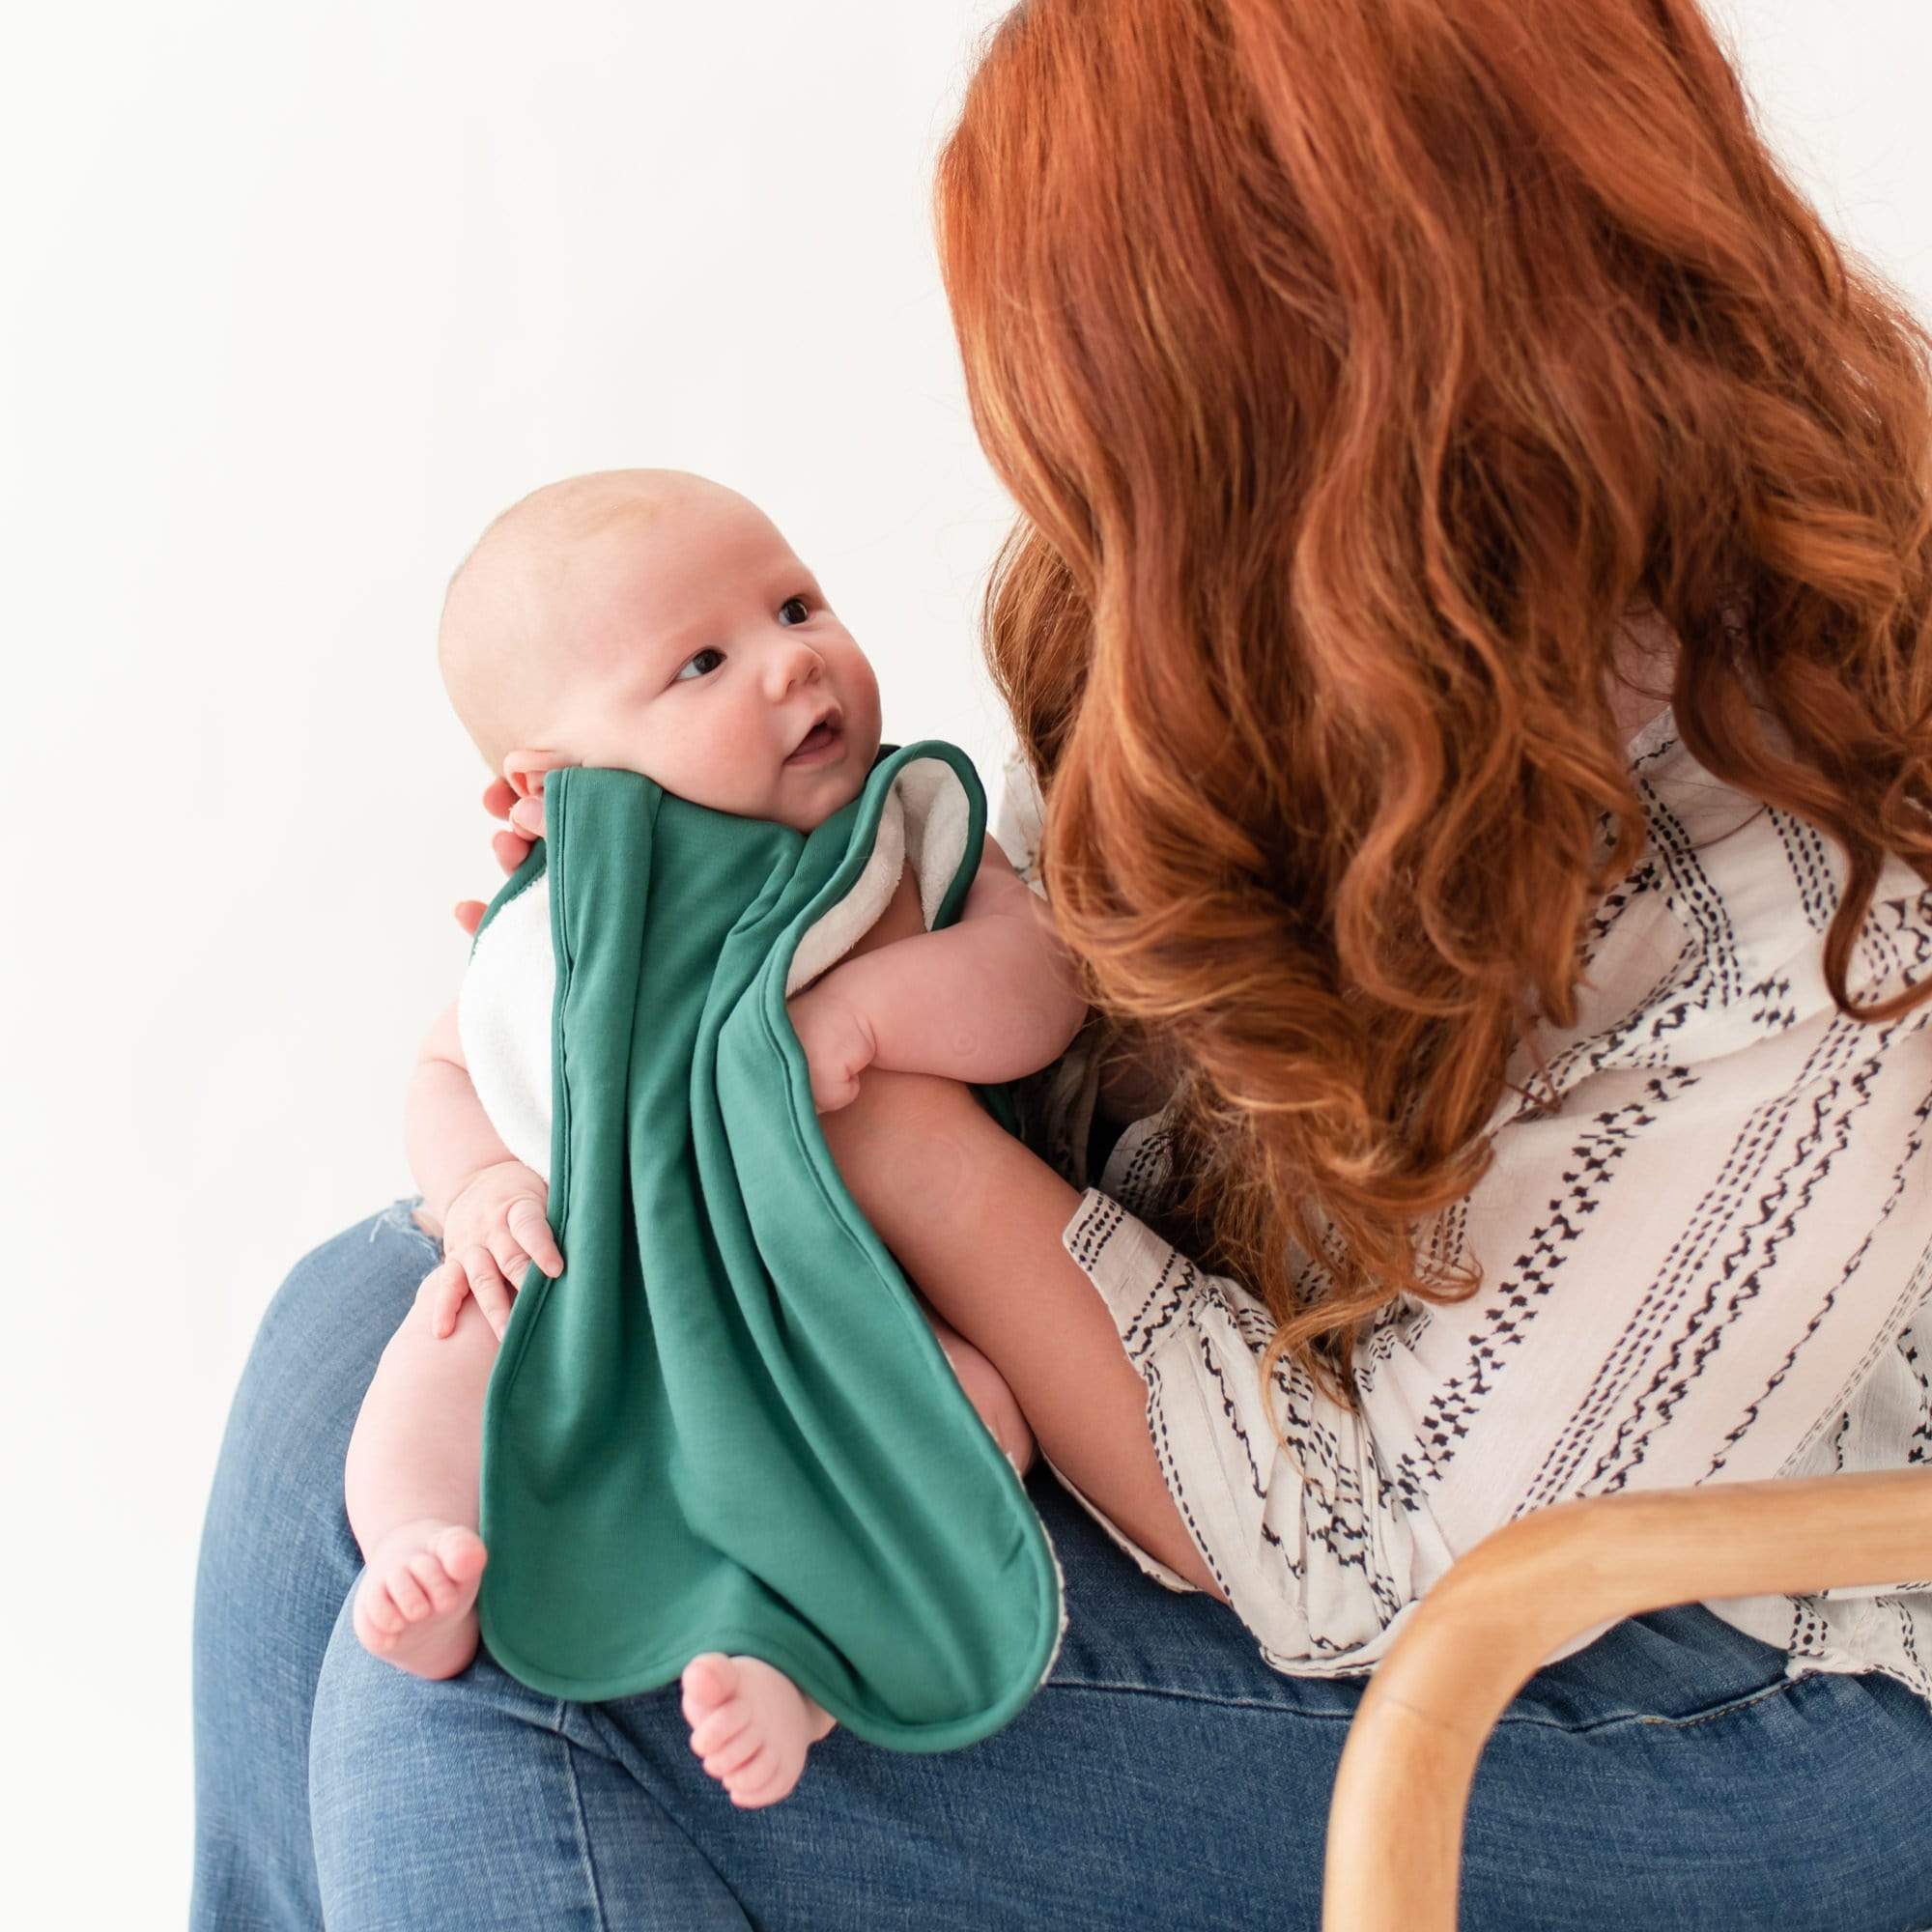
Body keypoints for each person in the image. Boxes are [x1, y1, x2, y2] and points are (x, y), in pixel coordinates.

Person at [193, 1, 1932, 1925]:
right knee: (361, 1346)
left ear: (1298, 399)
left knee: (537, 1684)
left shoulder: (1821, 893)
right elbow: (1062, 1036)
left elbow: (1369, 1544)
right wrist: (681, 908)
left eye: (1117, 432)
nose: (1076, 497)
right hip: (1293, 1461)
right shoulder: (1243, 626)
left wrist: (813, 1101)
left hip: (1715, 1680)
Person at [347, 467, 1078, 1810]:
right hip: (603, 1278)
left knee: (981, 1418)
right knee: (436, 1350)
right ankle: (422, 1546)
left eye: (796, 604)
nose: (791, 661)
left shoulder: (894, 838)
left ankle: (801, 1673)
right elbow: (446, 1063)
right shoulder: (565, 911)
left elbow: (1038, 984)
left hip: (840, 1306)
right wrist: (481, 1186)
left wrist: (866, 1012)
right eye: (700, 661)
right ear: (554, 782)